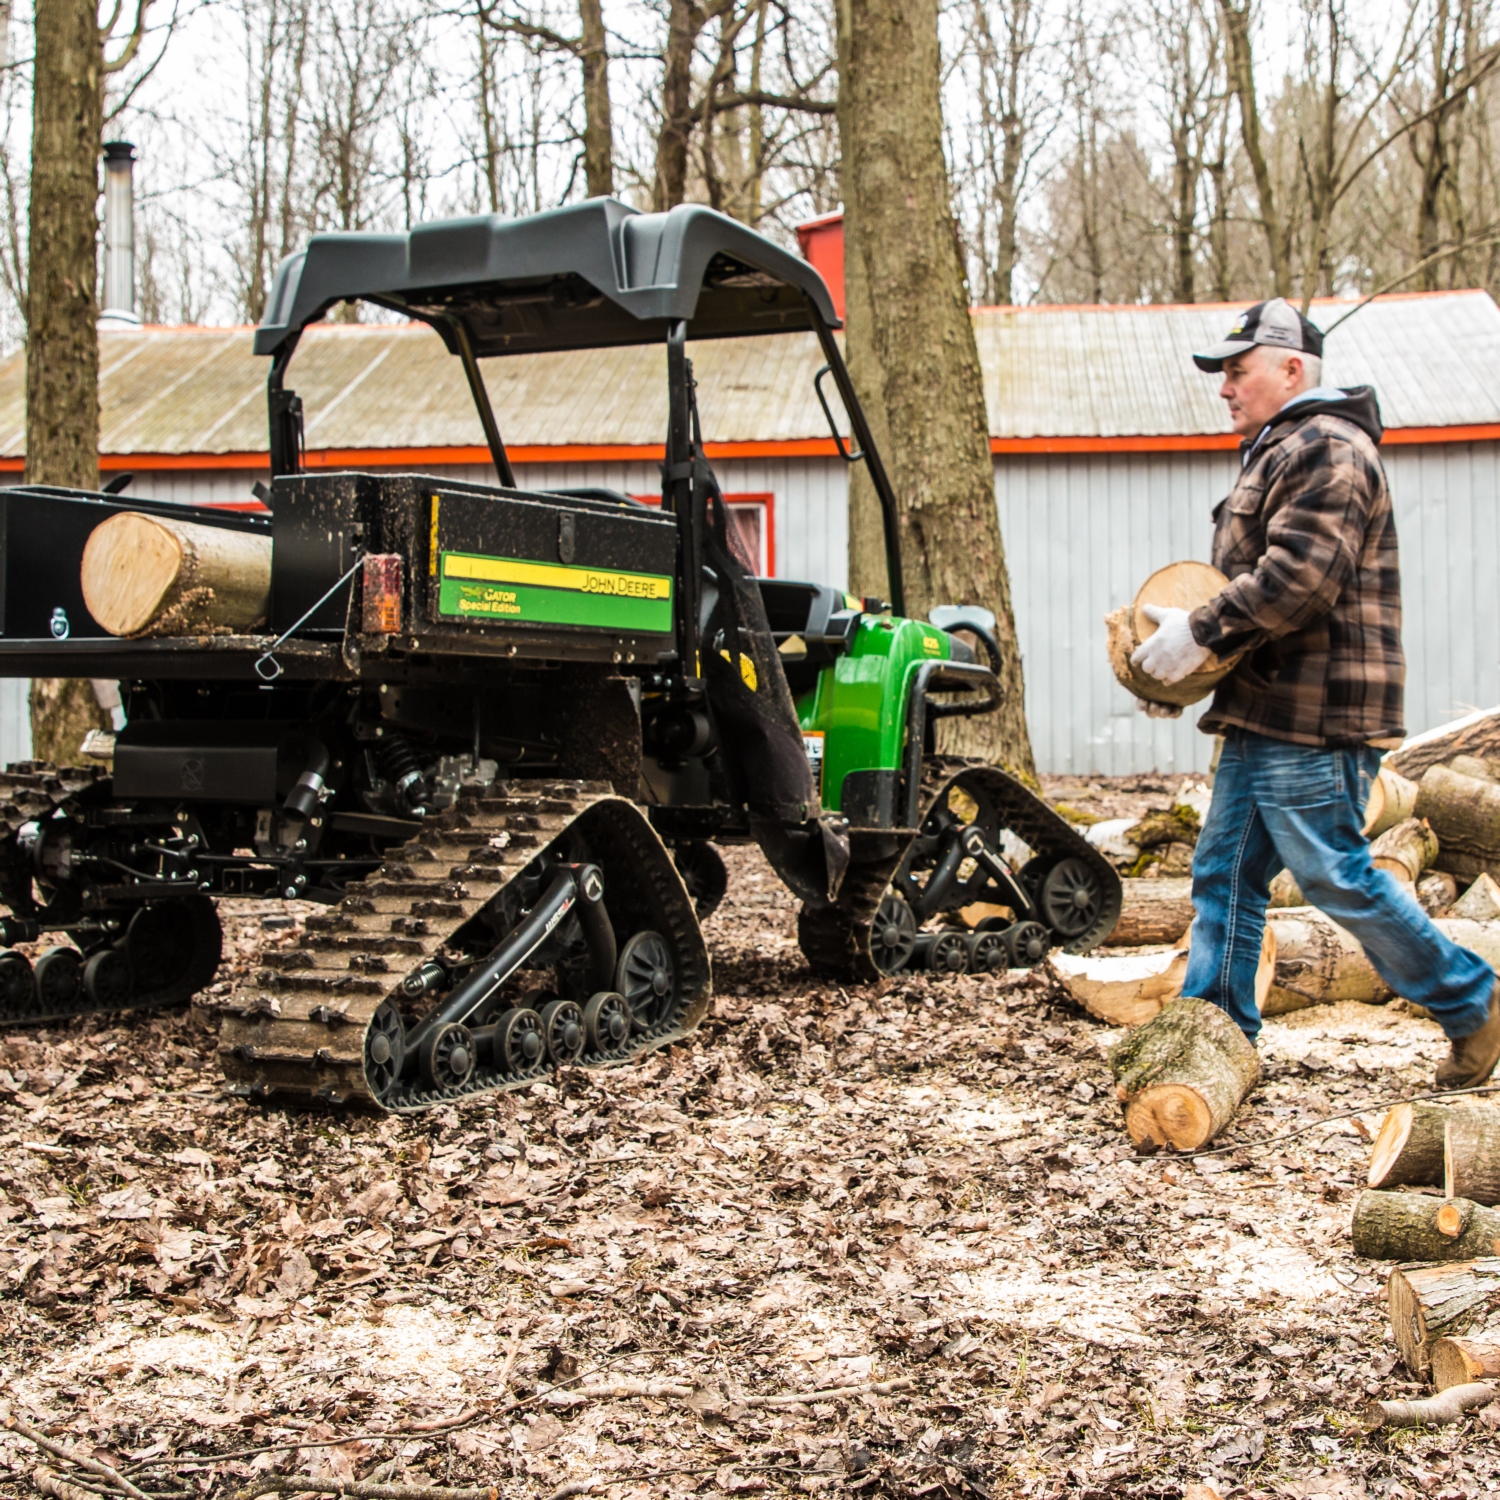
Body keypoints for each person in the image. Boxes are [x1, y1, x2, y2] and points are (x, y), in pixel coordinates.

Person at [1130, 296, 1500, 1089]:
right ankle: (1212, 1038)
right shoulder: (1282, 449)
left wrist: (1199, 629)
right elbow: (1253, 590)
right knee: (1225, 873)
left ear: (1292, 368)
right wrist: (1175, 661)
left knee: (1332, 871)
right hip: (1268, 709)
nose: (1225, 387)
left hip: (1317, 713)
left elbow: (1299, 581)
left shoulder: (1328, 446)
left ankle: (1474, 999)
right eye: (1221, 374)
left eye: (1239, 370)